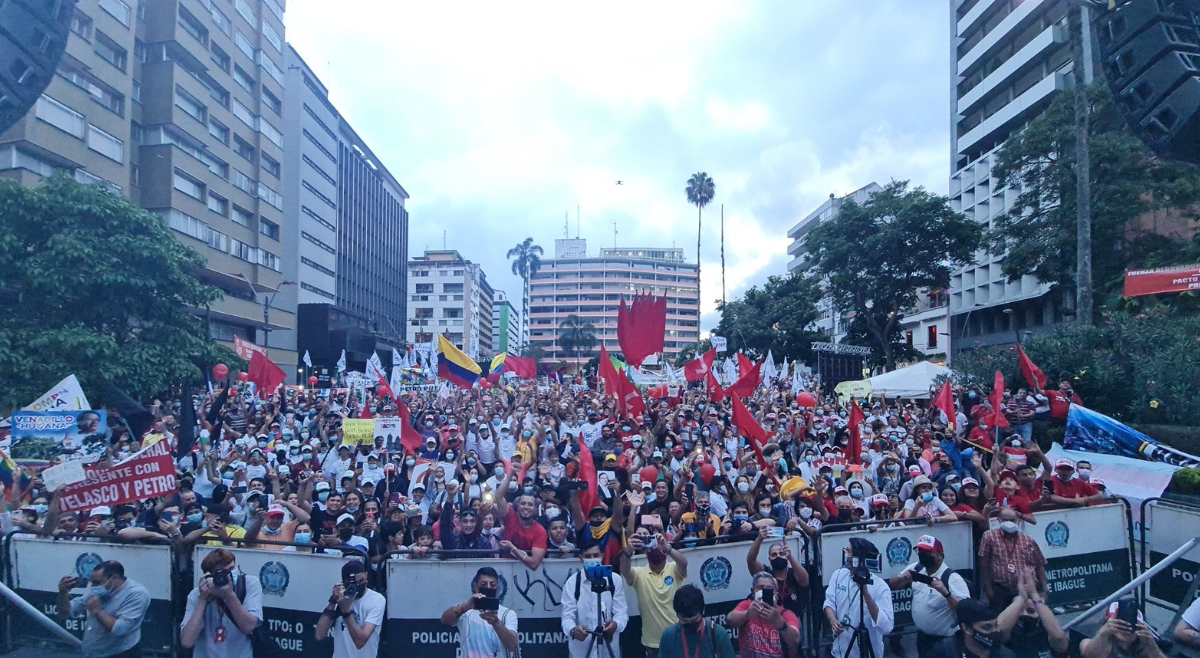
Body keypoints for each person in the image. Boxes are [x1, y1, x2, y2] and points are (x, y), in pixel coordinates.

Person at [889, 535, 971, 658]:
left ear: (940, 555)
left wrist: (946, 593)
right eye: (920, 551)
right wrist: (902, 577)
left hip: (946, 641)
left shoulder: (952, 578)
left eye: (928, 552)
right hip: (922, 638)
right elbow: (893, 584)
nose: (922, 554)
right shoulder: (917, 568)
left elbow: (967, 611)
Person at [56, 560, 151, 658]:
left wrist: (98, 611)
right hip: (94, 653)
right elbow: (64, 613)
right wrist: (63, 593)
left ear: (114, 578)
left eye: (97, 582)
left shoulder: (137, 594)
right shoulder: (98, 590)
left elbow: (120, 629)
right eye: (92, 583)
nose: (94, 587)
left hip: (121, 653)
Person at [180, 548, 263, 658]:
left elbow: (249, 627)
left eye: (232, 568)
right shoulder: (196, 595)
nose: (229, 575)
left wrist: (229, 596)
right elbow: (187, 641)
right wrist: (203, 599)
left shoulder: (249, 584)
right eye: (223, 573)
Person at [619, 532, 689, 658]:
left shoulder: (674, 568)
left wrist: (667, 548)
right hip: (652, 643)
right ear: (645, 552)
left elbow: (684, 563)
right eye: (651, 547)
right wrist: (628, 551)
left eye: (657, 548)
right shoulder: (639, 574)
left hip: (677, 637)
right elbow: (624, 570)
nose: (655, 550)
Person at [823, 537, 895, 658]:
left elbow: (887, 626)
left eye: (848, 551)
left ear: (858, 557)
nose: (846, 554)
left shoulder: (880, 586)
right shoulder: (838, 575)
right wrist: (832, 620)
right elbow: (829, 602)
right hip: (839, 651)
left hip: (866, 652)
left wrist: (865, 593)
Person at [561, 543, 630, 658]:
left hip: (608, 649)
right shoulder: (572, 583)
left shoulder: (614, 580)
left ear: (602, 556)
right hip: (582, 651)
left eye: (595, 555)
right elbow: (567, 616)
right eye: (588, 556)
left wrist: (615, 624)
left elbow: (621, 612)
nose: (592, 559)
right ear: (581, 558)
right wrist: (573, 630)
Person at [440, 566, 519, 658]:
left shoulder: (507, 614)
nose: (488, 587)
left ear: (497, 588)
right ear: (476, 587)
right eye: (484, 584)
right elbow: (445, 620)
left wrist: (496, 622)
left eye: (492, 585)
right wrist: (464, 607)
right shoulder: (466, 611)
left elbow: (513, 646)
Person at [978, 507, 1046, 612]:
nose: (1009, 522)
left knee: (1029, 619)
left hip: (1026, 588)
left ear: (1018, 521)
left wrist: (1045, 590)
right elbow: (984, 563)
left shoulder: (1028, 540)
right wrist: (988, 588)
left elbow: (1039, 565)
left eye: (1012, 520)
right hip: (1000, 589)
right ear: (999, 520)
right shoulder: (989, 536)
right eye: (1005, 520)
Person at [314, 561, 386, 658]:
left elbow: (360, 642)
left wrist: (346, 611)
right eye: (353, 583)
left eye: (361, 581)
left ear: (366, 576)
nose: (358, 586)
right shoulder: (341, 598)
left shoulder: (377, 600)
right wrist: (332, 601)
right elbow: (319, 635)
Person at [726, 572, 802, 658]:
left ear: (776, 594)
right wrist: (747, 614)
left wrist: (780, 623)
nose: (764, 592)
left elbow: (795, 641)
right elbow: (730, 620)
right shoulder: (747, 606)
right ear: (753, 592)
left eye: (769, 589)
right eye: (760, 588)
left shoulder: (786, 614)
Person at [746, 526, 809, 620]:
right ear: (769, 559)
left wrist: (790, 557)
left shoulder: (793, 573)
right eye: (774, 555)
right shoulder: (766, 574)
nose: (778, 557)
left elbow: (805, 580)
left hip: (792, 619)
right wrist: (759, 539)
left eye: (781, 554)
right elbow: (751, 560)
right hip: (769, 620)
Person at [657, 585, 735, 658]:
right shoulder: (669, 637)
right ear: (677, 614)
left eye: (695, 620)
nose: (690, 624)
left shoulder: (717, 634)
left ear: (703, 611)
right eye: (685, 621)